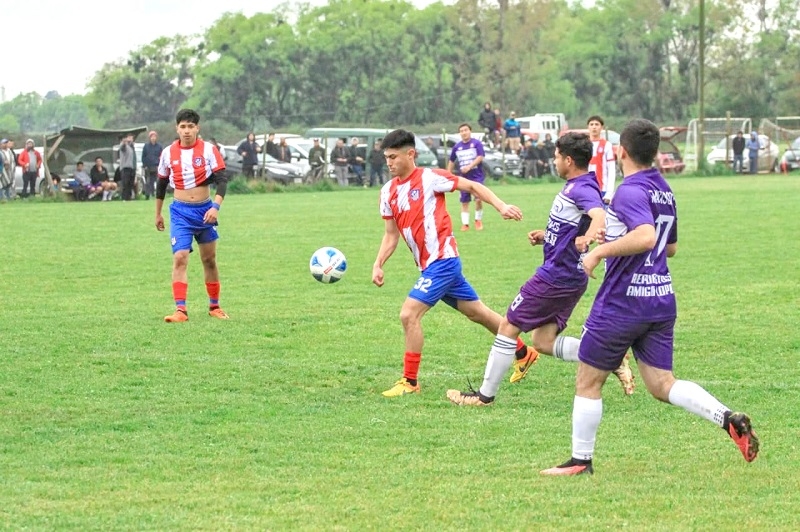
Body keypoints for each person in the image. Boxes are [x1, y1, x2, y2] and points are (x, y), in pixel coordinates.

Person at [541, 119, 759, 476]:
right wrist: (616, 237)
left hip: (622, 302)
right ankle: (727, 419)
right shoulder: (664, 189)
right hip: (659, 298)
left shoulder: (629, 190)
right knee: (661, 384)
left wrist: (599, 252)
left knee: (588, 381)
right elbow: (668, 247)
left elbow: (644, 236)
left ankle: (580, 462)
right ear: (656, 152)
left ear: (620, 151)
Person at [446, 132, 633, 407]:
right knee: (543, 341)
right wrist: (548, 236)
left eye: (556, 156)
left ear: (568, 160)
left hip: (557, 276)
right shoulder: (577, 185)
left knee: (509, 326)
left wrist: (589, 237)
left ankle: (483, 397)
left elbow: (599, 216)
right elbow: (575, 224)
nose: (553, 161)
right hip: (568, 275)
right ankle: (611, 357)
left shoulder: (582, 188)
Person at [373, 129, 538, 397]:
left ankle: (410, 382)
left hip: (444, 261)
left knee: (408, 314)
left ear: (410, 154)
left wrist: (501, 206)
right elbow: (391, 235)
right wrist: (378, 263)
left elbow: (472, 186)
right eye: (386, 158)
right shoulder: (387, 192)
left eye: (393, 157)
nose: (389, 162)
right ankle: (523, 352)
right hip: (429, 266)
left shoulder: (429, 178)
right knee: (479, 313)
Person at [155, 108, 229, 323]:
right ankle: (180, 310)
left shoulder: (208, 150)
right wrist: (158, 213)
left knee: (209, 260)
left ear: (197, 128)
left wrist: (215, 207)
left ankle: (214, 306)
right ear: (177, 128)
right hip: (180, 213)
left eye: (191, 126)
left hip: (205, 211)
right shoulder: (168, 153)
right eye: (183, 127)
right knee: (180, 258)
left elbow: (222, 180)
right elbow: (160, 184)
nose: (187, 131)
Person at [447, 123, 486, 231]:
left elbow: (480, 157)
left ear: (470, 131)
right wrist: (448, 175)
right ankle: (465, 224)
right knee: (464, 201)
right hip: (463, 178)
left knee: (478, 199)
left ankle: (478, 220)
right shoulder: (457, 147)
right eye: (461, 131)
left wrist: (470, 166)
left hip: (476, 176)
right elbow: (451, 160)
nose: (464, 132)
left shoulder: (476, 143)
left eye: (466, 130)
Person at [586, 115, 617, 204]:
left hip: (602, 189)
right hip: (586, 189)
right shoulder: (584, 145)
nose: (594, 127)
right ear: (588, 127)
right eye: (591, 124)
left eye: (597, 124)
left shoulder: (606, 145)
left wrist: (609, 193)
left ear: (601, 127)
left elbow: (611, 170)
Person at [141, 130, 163, 200]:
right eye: (152, 137)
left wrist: (160, 165)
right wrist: (145, 165)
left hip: (156, 166)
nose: (153, 138)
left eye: (154, 137)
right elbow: (143, 156)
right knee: (148, 181)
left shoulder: (159, 146)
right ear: (149, 138)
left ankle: (157, 194)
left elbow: (161, 156)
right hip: (148, 166)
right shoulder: (146, 146)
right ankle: (147, 195)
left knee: (157, 181)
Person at [118, 134, 137, 200]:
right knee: (125, 183)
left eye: (131, 137)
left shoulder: (132, 146)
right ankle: (124, 198)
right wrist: (124, 142)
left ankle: (129, 198)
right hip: (125, 167)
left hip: (132, 168)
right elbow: (122, 147)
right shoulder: (124, 145)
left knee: (130, 184)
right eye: (129, 137)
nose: (130, 139)